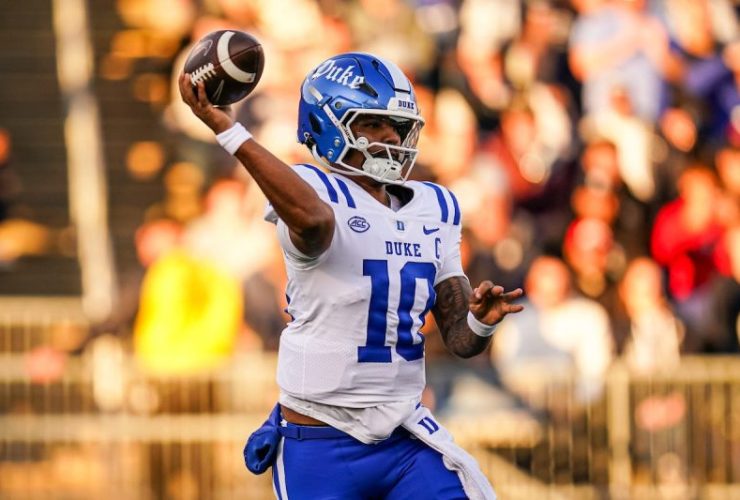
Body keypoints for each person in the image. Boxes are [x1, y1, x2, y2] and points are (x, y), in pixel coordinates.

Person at [179, 51, 524, 499]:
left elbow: (460, 340)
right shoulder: (312, 192)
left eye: (396, 126)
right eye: (372, 125)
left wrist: (480, 320)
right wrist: (229, 130)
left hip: (402, 437)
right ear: (327, 125)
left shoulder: (434, 207)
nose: (389, 137)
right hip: (320, 442)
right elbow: (316, 222)